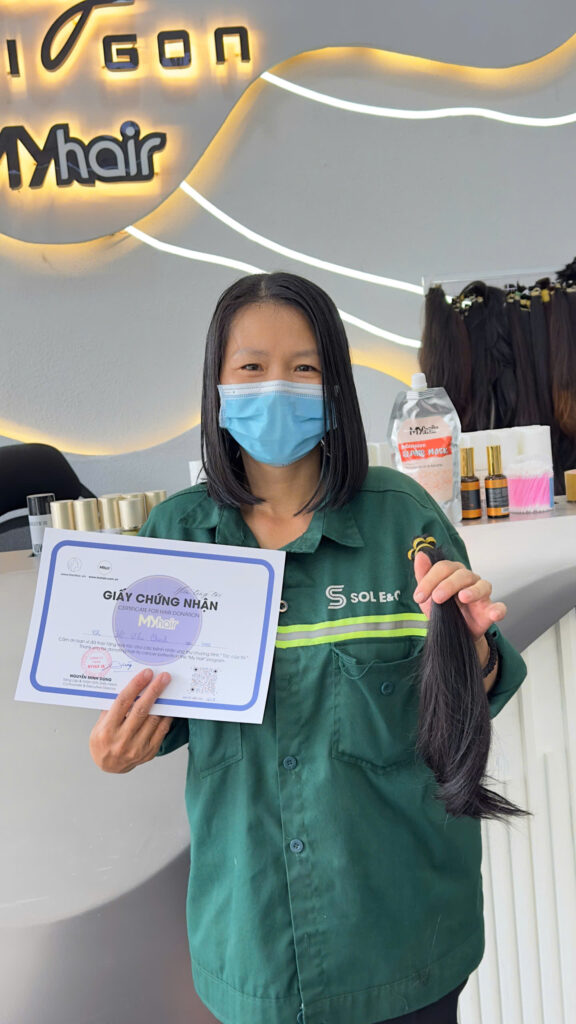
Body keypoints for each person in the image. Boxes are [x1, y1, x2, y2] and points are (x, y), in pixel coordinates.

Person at [90, 272, 526, 1024]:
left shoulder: (403, 520)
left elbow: (472, 689)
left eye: (304, 368)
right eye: (251, 367)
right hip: (252, 940)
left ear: (335, 387)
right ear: (217, 385)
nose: (276, 388)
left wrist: (474, 649)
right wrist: (120, 745)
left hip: (400, 937)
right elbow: (162, 705)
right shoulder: (177, 537)